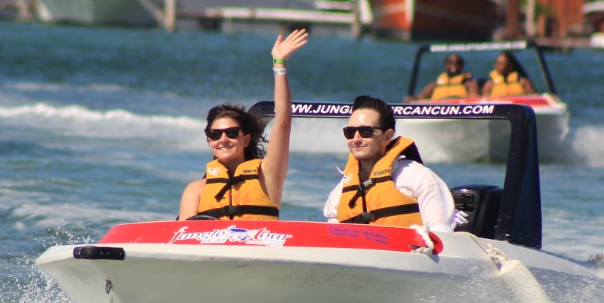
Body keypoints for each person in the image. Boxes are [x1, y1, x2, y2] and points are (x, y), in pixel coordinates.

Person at [178, 29, 310, 221]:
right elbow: (182, 238)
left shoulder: (267, 176)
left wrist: (279, 64)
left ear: (246, 139)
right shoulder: (195, 190)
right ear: (209, 141)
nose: (223, 139)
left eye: (231, 133)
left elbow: (283, 121)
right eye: (216, 135)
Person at [323, 95, 457, 236]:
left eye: (366, 132)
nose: (356, 139)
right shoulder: (342, 189)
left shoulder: (418, 178)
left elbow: (441, 234)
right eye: (349, 132)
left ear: (387, 136)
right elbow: (331, 236)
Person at [407, 53, 478, 101]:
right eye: (450, 62)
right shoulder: (433, 85)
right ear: (445, 65)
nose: (454, 65)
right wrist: (411, 99)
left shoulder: (469, 84)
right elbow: (421, 98)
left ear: (462, 66)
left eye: (458, 63)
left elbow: (475, 98)